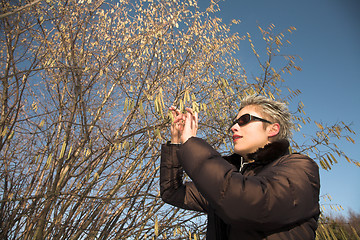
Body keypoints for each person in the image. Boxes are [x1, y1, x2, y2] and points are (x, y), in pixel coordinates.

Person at [160, 95, 320, 240]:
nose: (234, 127)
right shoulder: (231, 178)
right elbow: (172, 192)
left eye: (244, 120)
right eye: (234, 122)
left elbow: (252, 203)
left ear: (273, 129)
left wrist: (192, 144)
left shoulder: (301, 167)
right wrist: (177, 143)